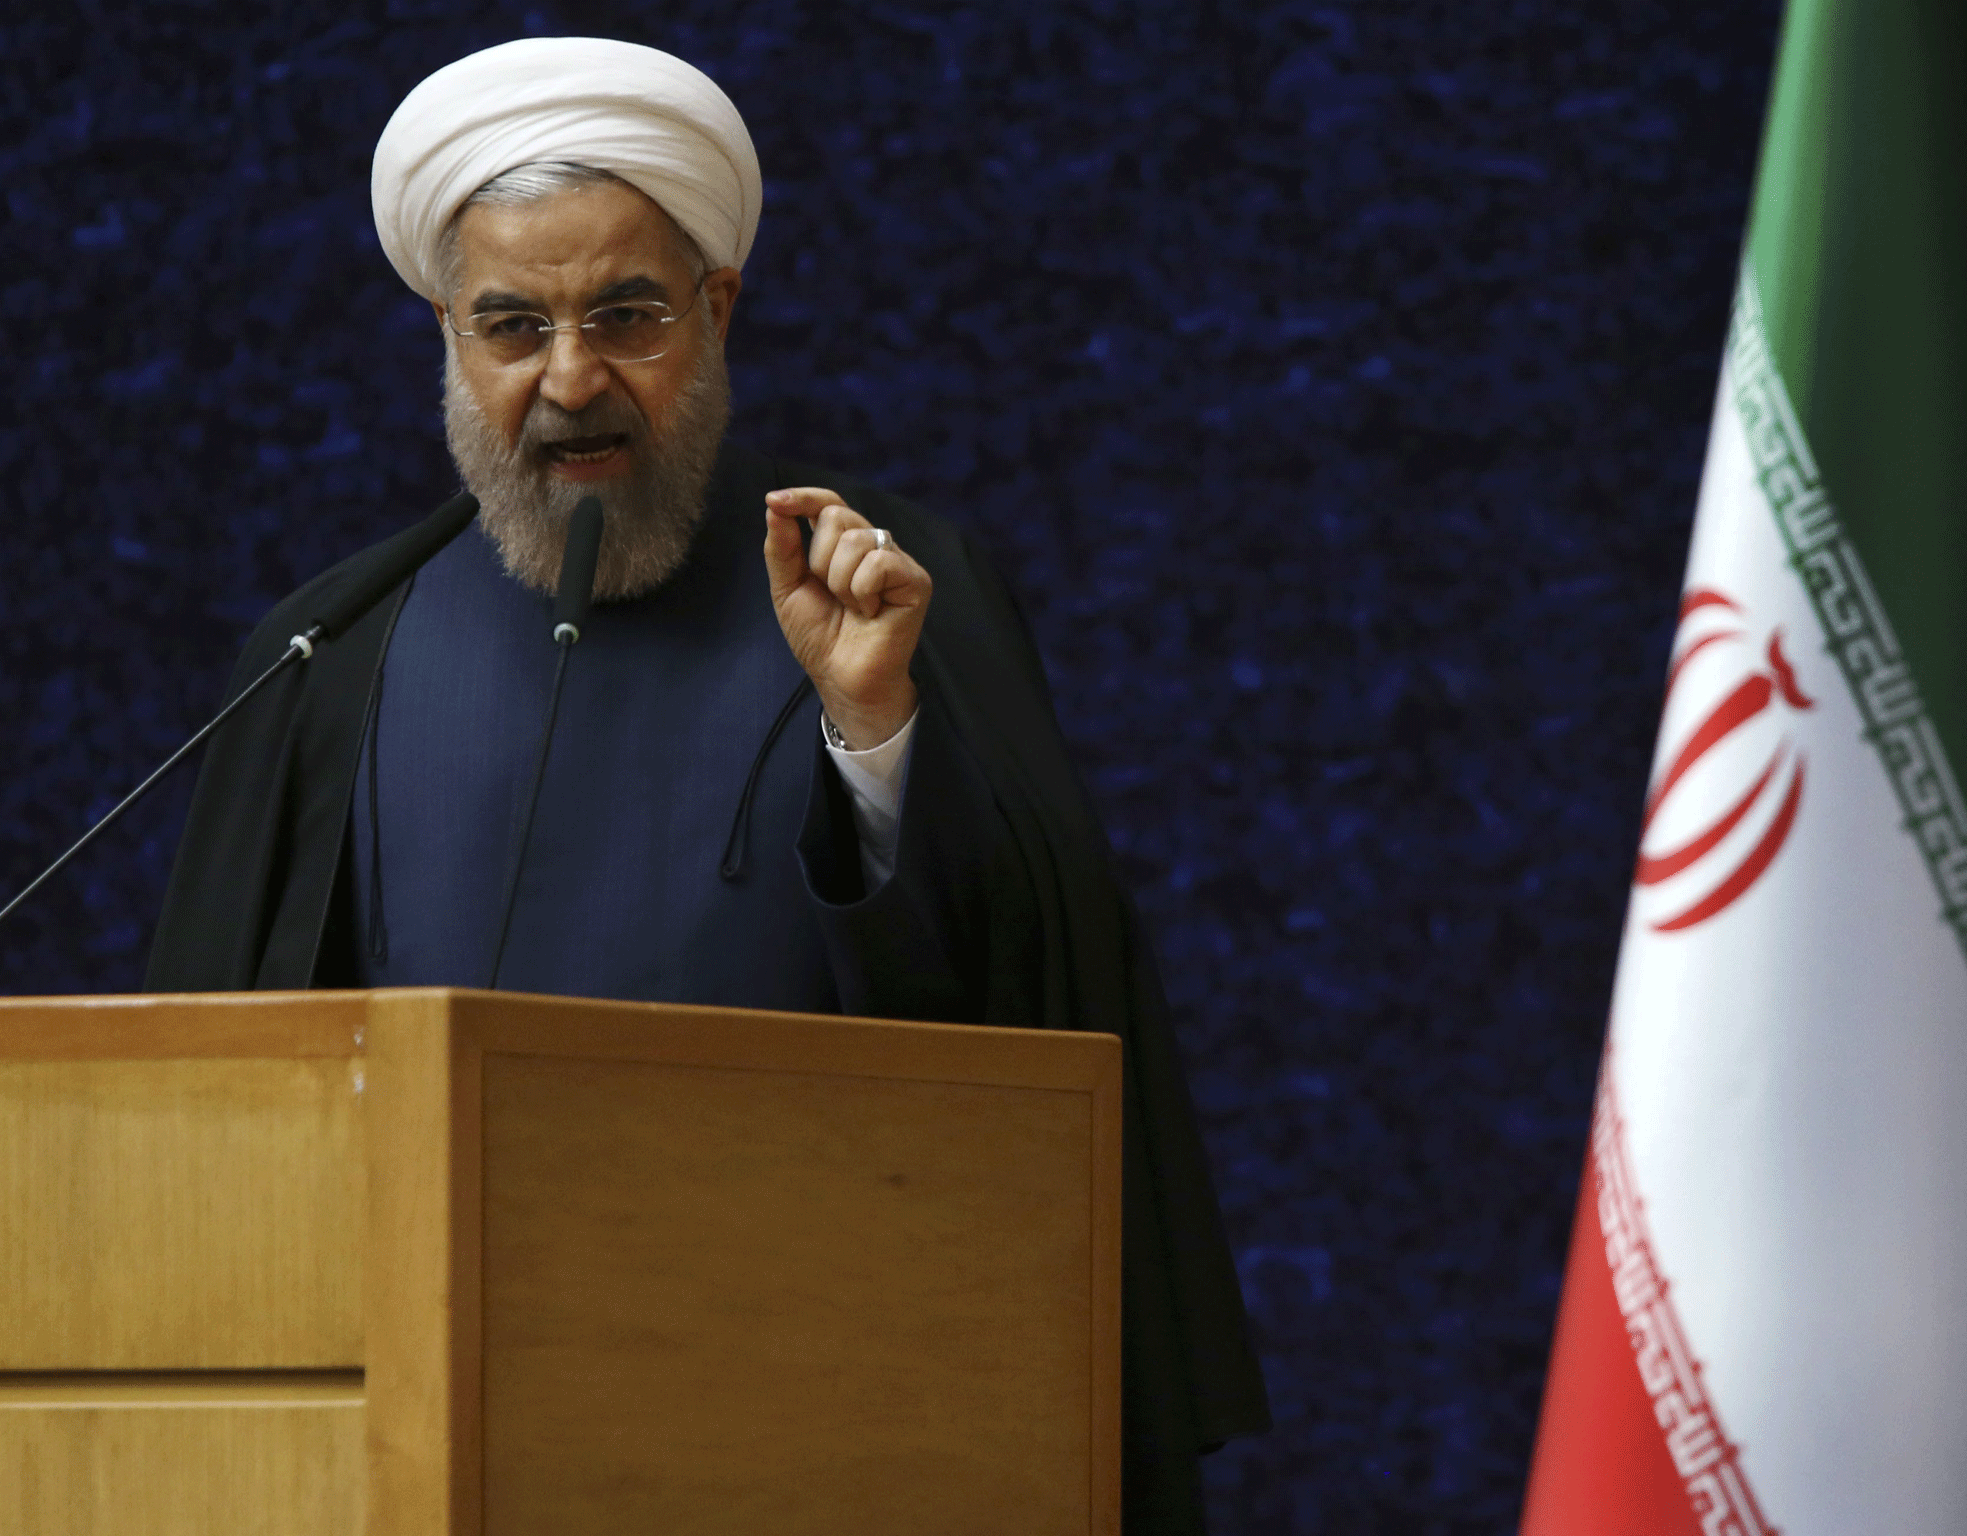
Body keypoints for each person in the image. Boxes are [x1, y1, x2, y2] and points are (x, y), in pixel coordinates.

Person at [146, 36, 1267, 1529]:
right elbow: (216, 1146)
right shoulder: (329, 650)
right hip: (431, 1442)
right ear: (446, 335)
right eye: (510, 326)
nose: (570, 380)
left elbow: (1025, 1016)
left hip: (835, 1424)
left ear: (717, 310)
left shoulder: (881, 594)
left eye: (627, 315)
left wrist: (871, 730)